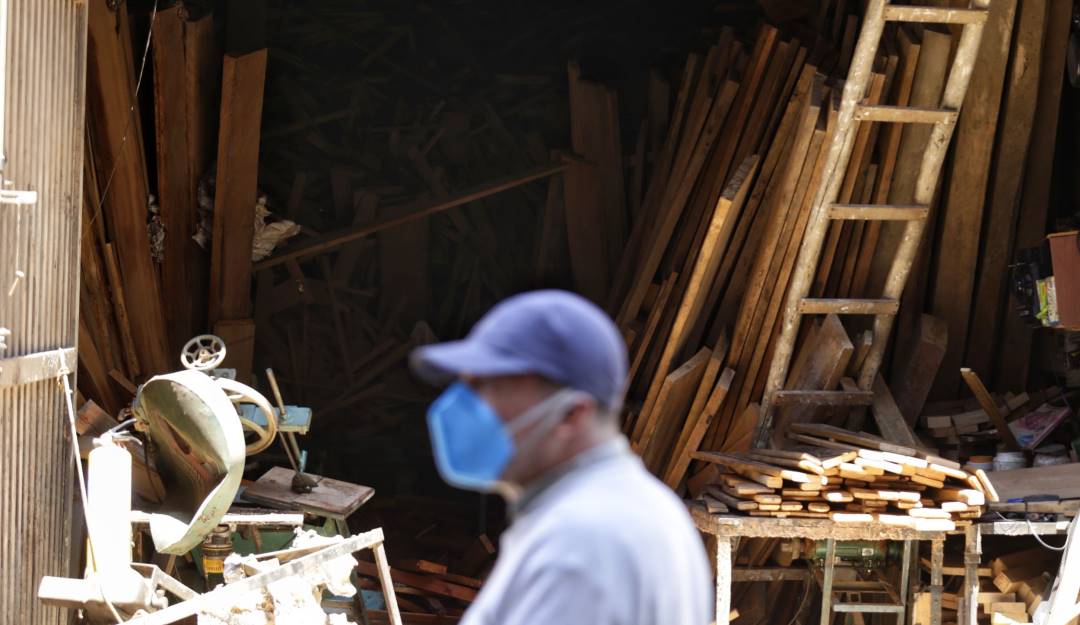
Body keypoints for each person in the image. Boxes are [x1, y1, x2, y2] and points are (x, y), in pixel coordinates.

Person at [410, 289, 711, 625]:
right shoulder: (639, 507)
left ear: (571, 414)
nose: (462, 406)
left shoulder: (581, 541)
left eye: (485, 387)